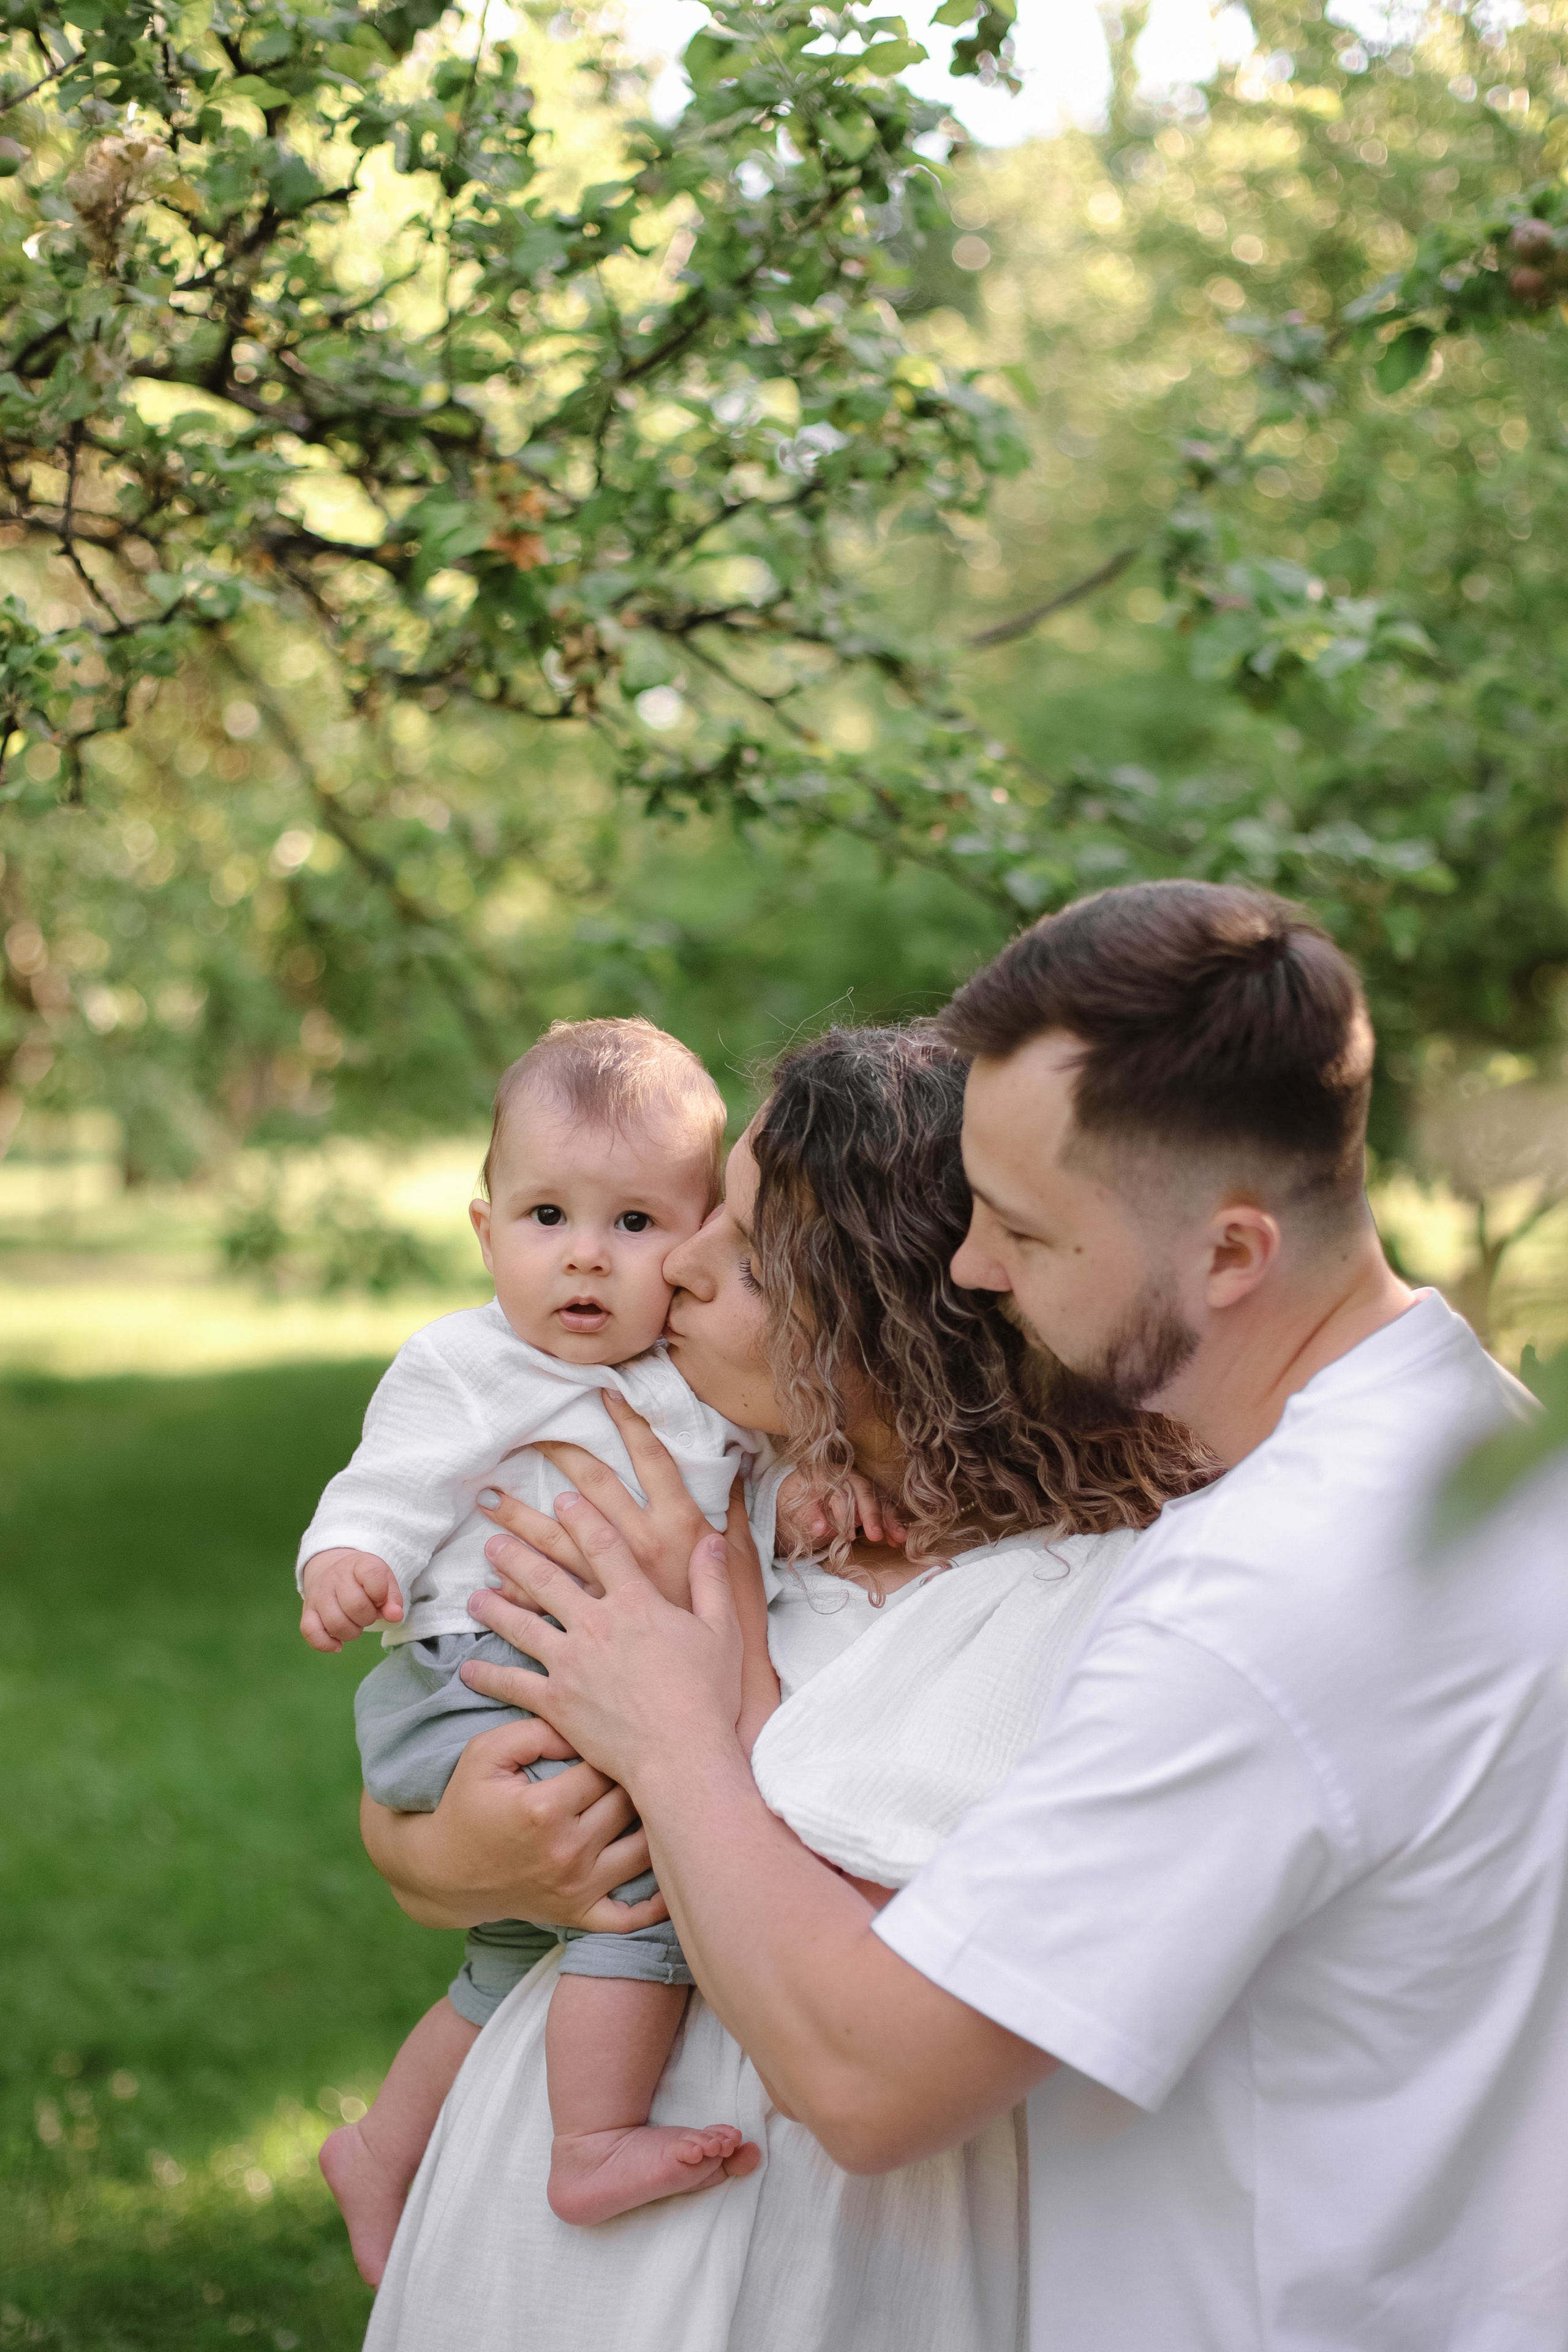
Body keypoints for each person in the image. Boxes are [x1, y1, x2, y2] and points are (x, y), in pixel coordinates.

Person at [472, 881, 1568, 2351]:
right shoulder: (1475, 1446)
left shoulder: (1249, 1604)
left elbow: (866, 2082)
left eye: (1023, 1230)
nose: (971, 1272)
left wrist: (672, 1732)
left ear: (1230, 1255)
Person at [361, 1022, 1208, 2352]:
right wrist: (451, 1853)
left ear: (895, 1331)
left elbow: (862, 1987)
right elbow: (440, 1799)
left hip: (837, 2264)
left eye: (745, 1255)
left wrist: (709, 1691)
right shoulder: (721, 1480)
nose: (673, 1263)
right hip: (531, 2231)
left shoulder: (1068, 1602)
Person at [296, 1016, 785, 2272]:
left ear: (698, 1242)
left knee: (513, 1952)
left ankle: (381, 2146)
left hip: (567, 1681)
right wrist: (347, 1563)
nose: (585, 1260)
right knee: (646, 1894)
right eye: (547, 1218)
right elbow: (380, 1489)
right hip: (470, 1683)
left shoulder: (690, 1372)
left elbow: (758, 1480)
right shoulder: (465, 1365)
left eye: (634, 1225)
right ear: (484, 1229)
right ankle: (591, 2142)